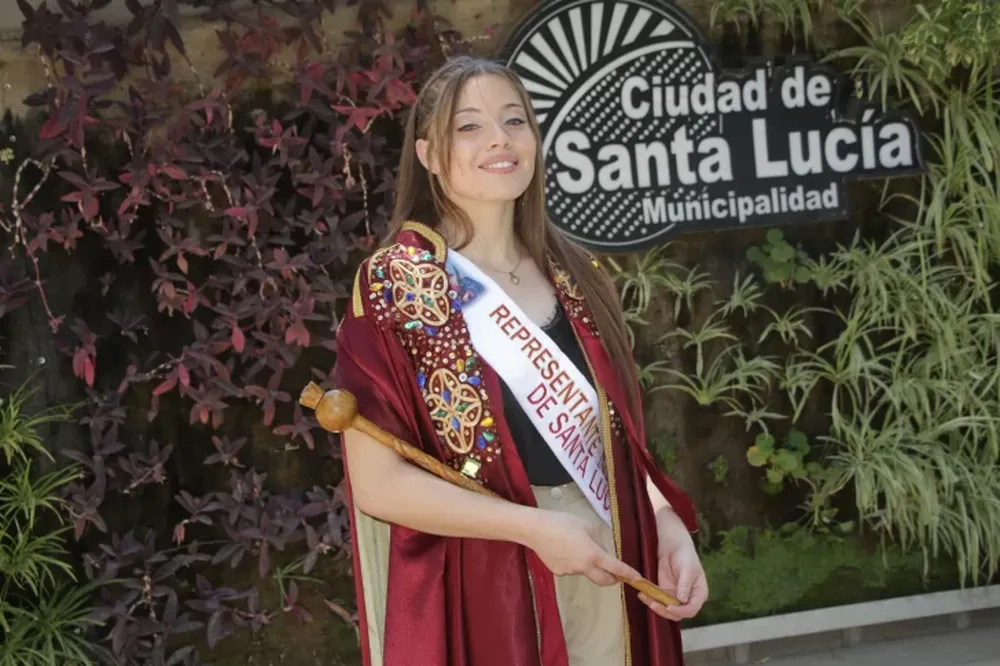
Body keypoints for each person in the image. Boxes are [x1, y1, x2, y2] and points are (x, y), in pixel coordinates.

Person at [333, 55, 708, 666]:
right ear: (427, 155)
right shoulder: (397, 285)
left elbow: (617, 437)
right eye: (469, 126)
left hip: (608, 546)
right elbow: (379, 483)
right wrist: (532, 528)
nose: (499, 140)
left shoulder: (579, 274)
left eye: (515, 120)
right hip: (486, 570)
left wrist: (665, 522)